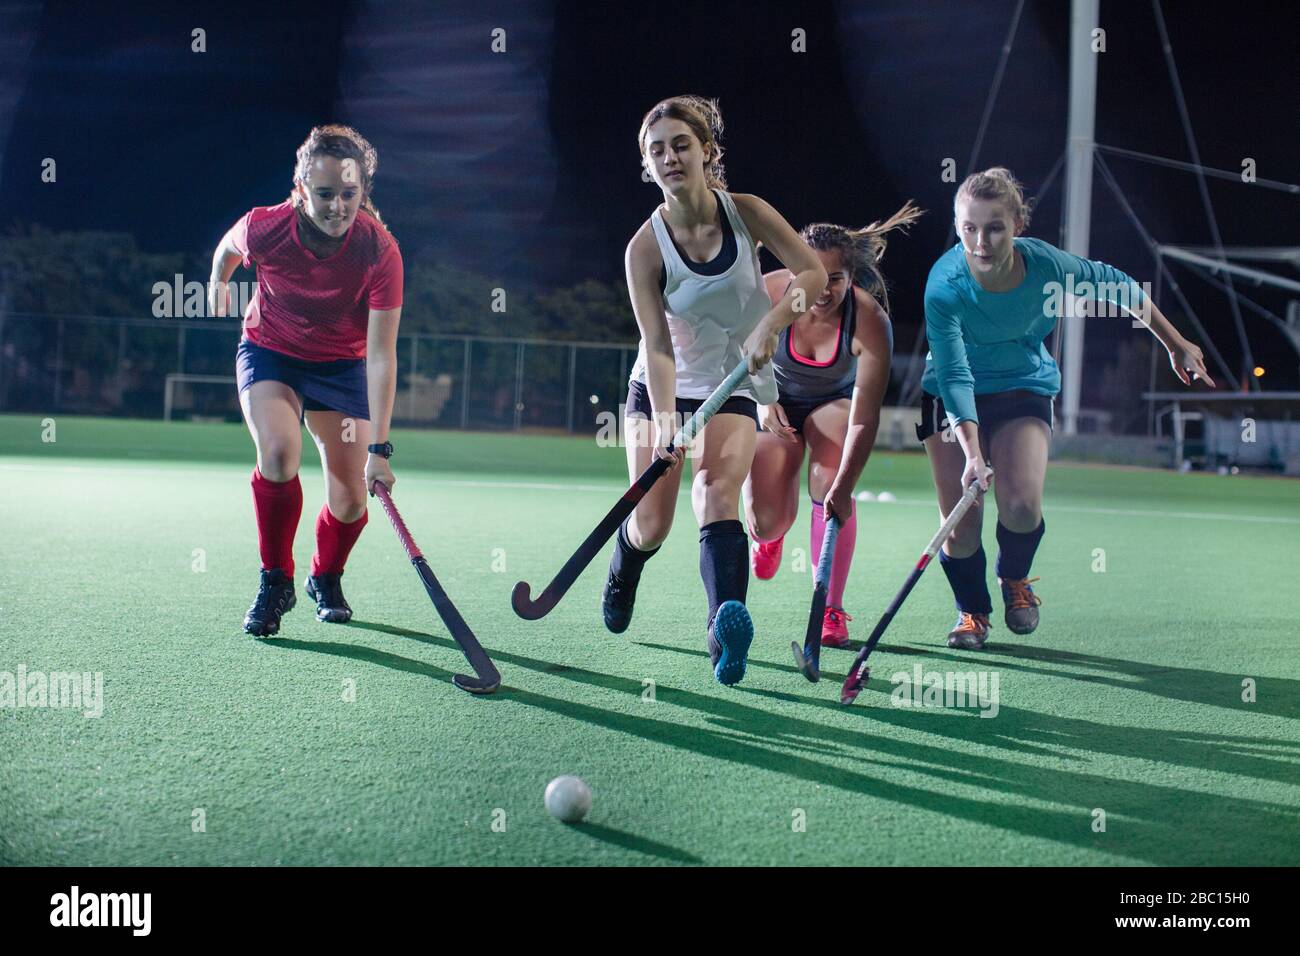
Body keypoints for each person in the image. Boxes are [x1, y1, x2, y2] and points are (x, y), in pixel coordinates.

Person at [921, 167, 1215, 649]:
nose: (981, 241)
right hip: (951, 394)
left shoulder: (1048, 269)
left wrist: (1176, 343)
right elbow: (954, 376)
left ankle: (1014, 578)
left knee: (1020, 504)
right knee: (963, 518)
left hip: (1021, 386)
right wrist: (973, 453)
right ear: (957, 226)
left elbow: (1120, 287)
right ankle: (971, 613)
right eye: (969, 227)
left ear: (1017, 224)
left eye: (994, 227)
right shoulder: (944, 286)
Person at [601, 95, 828, 686]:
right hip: (662, 386)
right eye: (657, 151)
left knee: (716, 491)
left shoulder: (745, 212)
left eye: (681, 144)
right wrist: (668, 419)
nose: (671, 157)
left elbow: (812, 273)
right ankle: (624, 564)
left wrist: (773, 323)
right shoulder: (644, 248)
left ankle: (724, 626)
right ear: (646, 166)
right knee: (652, 523)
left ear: (706, 151)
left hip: (733, 385)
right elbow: (656, 344)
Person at [208, 124, 404, 637]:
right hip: (272, 351)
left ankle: (325, 577)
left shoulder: (379, 251)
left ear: (363, 193)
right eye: (324, 194)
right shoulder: (266, 227)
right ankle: (275, 580)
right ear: (300, 190)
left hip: (341, 365)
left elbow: (381, 355)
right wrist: (218, 282)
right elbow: (229, 248)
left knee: (351, 499)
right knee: (277, 452)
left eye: (349, 194)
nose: (337, 206)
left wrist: (380, 449)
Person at [743, 205, 920, 647]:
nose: (823, 289)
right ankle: (770, 537)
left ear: (851, 277)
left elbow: (865, 416)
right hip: (773, 403)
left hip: (832, 408)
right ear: (795, 269)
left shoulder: (871, 321)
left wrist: (845, 485)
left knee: (830, 480)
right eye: (813, 276)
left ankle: (832, 609)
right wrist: (764, 402)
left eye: (835, 279)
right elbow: (735, 355)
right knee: (764, 522)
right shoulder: (767, 293)